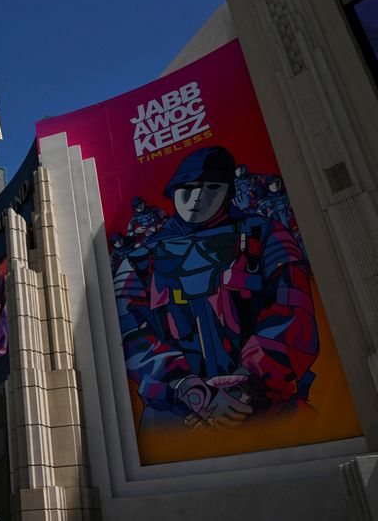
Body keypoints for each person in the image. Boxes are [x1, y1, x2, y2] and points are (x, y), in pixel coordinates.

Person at [115, 146, 318, 431]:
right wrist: (187, 389)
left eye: (212, 187)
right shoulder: (137, 261)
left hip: (267, 405)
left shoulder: (269, 235)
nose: (197, 198)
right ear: (172, 191)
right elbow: (130, 335)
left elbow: (293, 312)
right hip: (176, 417)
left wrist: (248, 382)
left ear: (228, 191)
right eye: (186, 188)